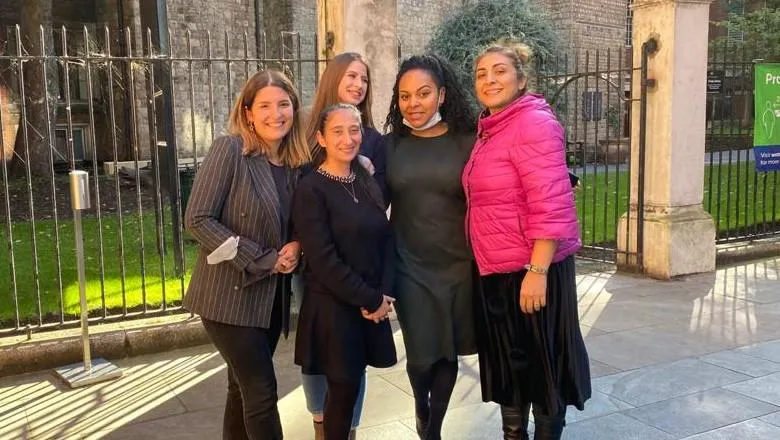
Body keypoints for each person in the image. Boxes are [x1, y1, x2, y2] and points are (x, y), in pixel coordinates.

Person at [462, 39, 592, 440]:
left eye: (500, 71)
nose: (490, 79)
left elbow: (550, 203)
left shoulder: (532, 122)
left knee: (543, 369)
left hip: (533, 270)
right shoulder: (491, 129)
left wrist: (536, 271)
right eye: (482, 74)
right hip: (499, 270)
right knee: (513, 370)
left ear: (521, 79)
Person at [183, 69, 311, 440]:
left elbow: (297, 222)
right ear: (248, 112)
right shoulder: (230, 150)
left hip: (269, 300)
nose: (276, 114)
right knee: (261, 392)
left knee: (240, 389)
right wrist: (262, 257)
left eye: (284, 104)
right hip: (227, 298)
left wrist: (296, 246)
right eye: (265, 105)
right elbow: (197, 219)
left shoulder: (293, 163)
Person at [383, 54, 478, 440]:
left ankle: (432, 429)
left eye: (423, 93)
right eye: (405, 96)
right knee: (422, 355)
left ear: (441, 95)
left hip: (459, 264)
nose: (414, 103)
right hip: (409, 264)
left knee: (447, 351)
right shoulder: (390, 146)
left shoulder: (468, 142)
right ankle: (421, 405)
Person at [294, 52, 386, 440]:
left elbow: (381, 221)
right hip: (323, 275)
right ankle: (323, 421)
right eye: (351, 76)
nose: (359, 84)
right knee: (324, 362)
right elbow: (322, 251)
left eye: (364, 78)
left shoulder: (369, 153)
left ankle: (345, 426)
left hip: (362, 276)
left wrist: (380, 292)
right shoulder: (305, 137)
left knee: (351, 373)